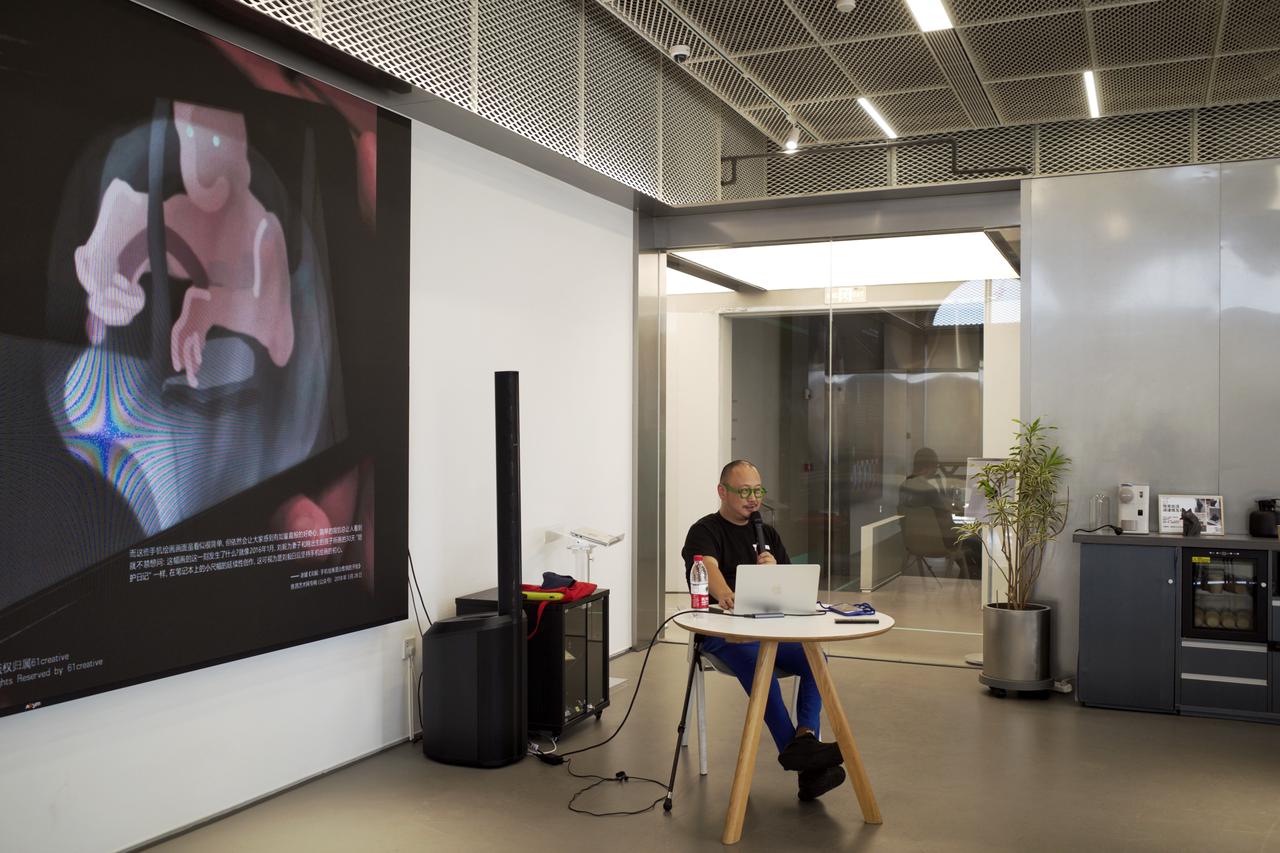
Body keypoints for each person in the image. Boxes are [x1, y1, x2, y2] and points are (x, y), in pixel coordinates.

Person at [681, 460, 846, 801]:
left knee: (816, 659)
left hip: (770, 629)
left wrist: (773, 571)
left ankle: (805, 737)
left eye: (758, 490)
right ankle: (800, 756)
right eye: (744, 491)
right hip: (723, 633)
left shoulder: (766, 534)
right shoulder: (705, 530)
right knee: (761, 667)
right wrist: (727, 595)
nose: (753, 498)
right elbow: (708, 569)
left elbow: (788, 588)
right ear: (722, 491)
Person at [897, 448, 980, 577]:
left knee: (965, 547)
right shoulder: (928, 489)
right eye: (936, 467)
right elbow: (947, 511)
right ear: (929, 466)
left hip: (912, 542)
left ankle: (968, 573)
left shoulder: (903, 486)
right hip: (938, 542)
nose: (936, 470)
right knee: (976, 542)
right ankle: (973, 578)